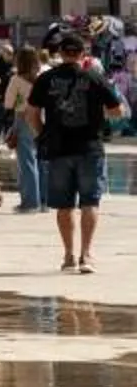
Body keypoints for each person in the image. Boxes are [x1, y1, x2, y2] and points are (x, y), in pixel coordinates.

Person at [29, 30, 124, 274]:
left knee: (64, 205)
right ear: (83, 54)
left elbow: (31, 113)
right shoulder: (95, 77)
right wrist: (101, 116)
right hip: (90, 148)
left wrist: (42, 135)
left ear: (60, 54)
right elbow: (117, 112)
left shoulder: (45, 79)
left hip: (58, 149)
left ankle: (69, 255)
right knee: (90, 202)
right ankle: (86, 256)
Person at [3, 46, 45, 213]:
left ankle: (30, 202)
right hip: (42, 118)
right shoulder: (41, 78)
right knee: (42, 162)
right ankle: (44, 201)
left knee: (27, 162)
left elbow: (8, 102)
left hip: (23, 118)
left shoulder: (16, 79)